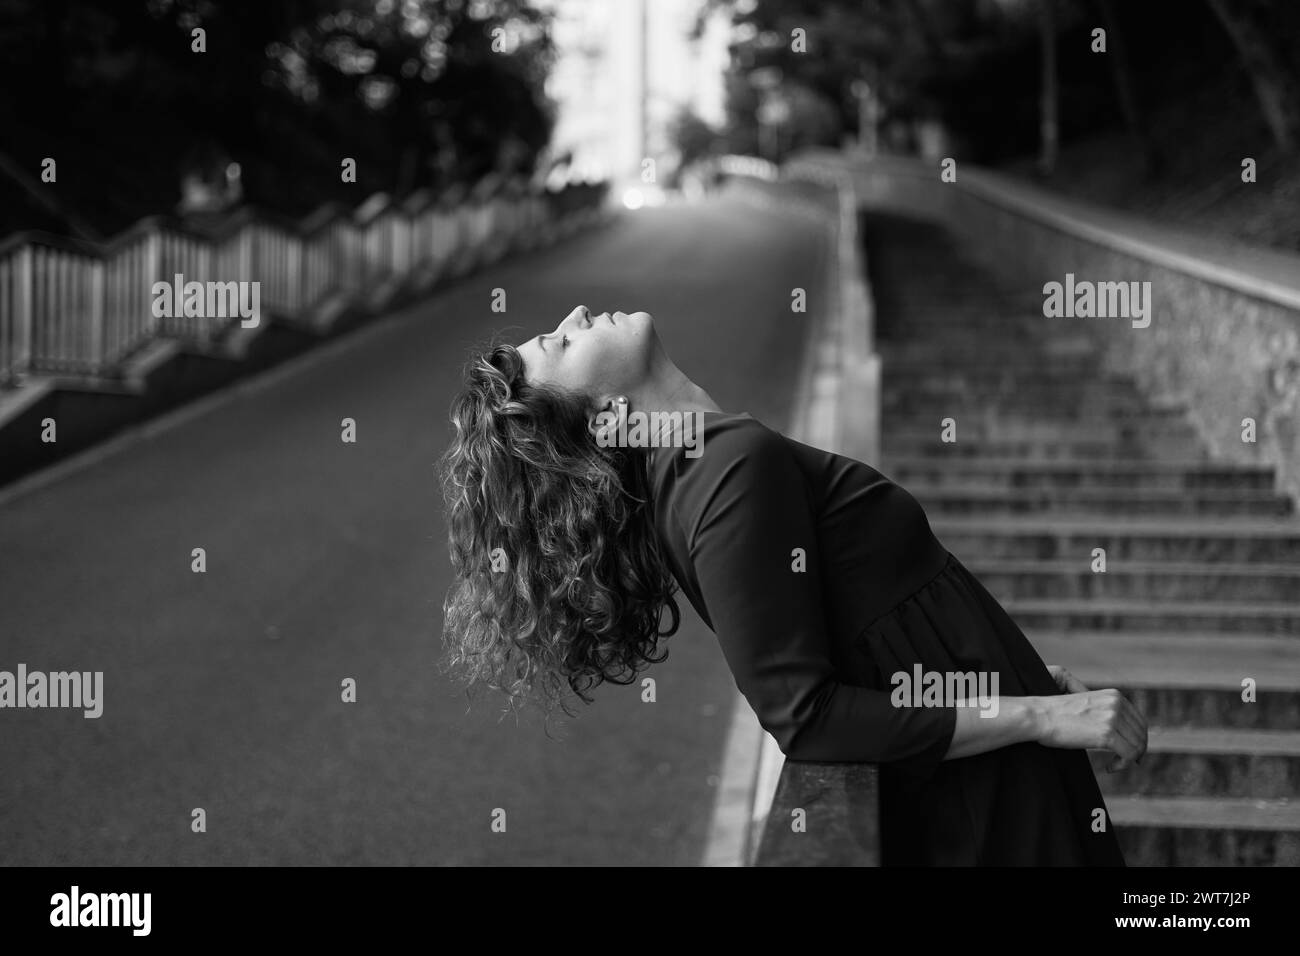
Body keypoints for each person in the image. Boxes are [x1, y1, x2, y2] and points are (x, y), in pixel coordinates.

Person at [438, 305, 1147, 865]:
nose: (577, 315)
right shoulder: (720, 471)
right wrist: (1039, 716)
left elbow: (859, 630)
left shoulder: (702, 468)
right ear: (605, 419)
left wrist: (1008, 676)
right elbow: (805, 714)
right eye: (560, 346)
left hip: (984, 765)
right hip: (981, 799)